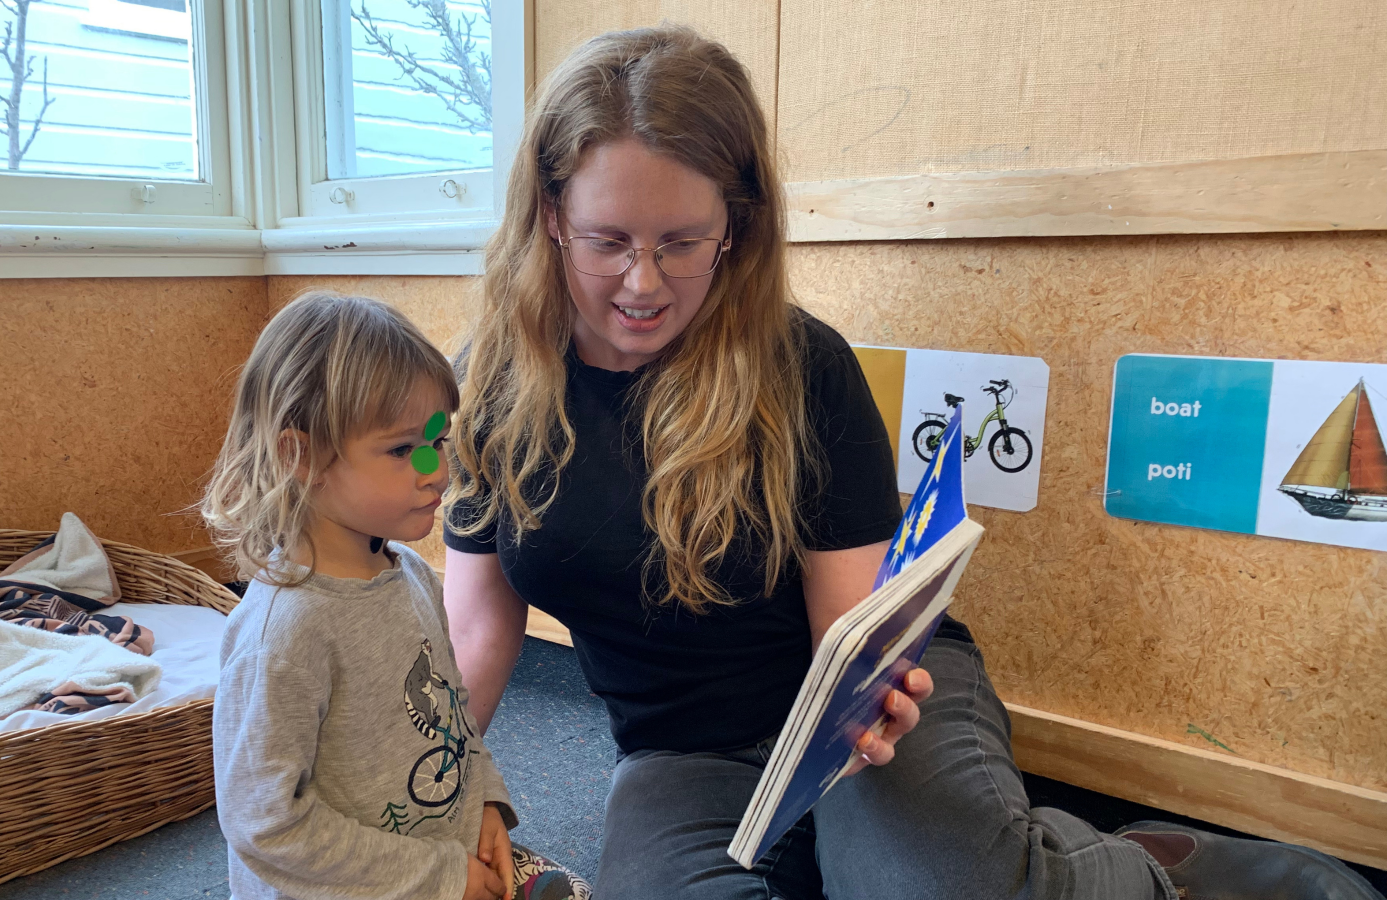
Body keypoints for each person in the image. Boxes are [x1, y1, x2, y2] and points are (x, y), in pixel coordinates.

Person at [440, 26, 1384, 900]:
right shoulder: (485, 385)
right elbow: (477, 634)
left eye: (683, 243)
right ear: (552, 215)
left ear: (736, 228)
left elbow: (850, 631)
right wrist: (432, 792)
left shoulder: (801, 364)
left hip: (850, 704)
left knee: (940, 887)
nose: (643, 282)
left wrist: (867, 723)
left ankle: (1151, 863)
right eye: (609, 242)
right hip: (678, 749)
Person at [202, 293, 591, 900]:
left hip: (442, 856)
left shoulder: (408, 572)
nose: (438, 469)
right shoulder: (283, 636)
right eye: (403, 449)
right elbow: (265, 823)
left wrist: (485, 800)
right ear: (299, 455)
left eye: (438, 440)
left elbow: (453, 712)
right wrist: (439, 876)